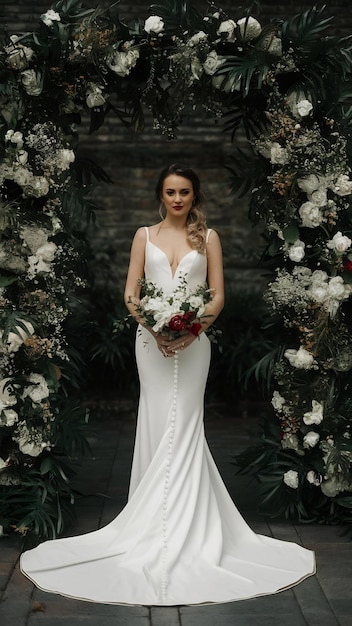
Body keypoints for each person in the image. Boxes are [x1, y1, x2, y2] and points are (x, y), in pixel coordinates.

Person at [20, 163, 315, 606]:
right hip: (150, 345)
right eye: (171, 192)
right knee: (158, 420)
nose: (178, 199)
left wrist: (193, 331)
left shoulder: (208, 238)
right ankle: (152, 519)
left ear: (195, 196)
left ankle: (187, 525)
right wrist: (155, 330)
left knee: (186, 423)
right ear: (161, 195)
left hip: (194, 347)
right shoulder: (144, 235)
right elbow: (131, 294)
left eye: (185, 192)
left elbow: (217, 296)